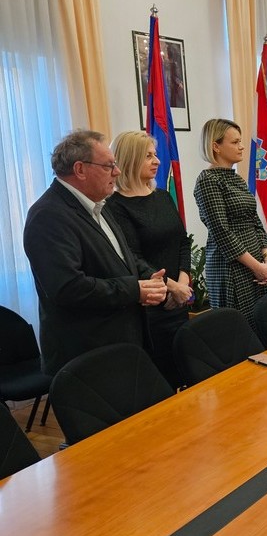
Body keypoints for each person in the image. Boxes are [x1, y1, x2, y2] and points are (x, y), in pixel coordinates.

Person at [23, 130, 167, 376]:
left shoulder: (99, 203)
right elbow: (68, 288)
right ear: (80, 169)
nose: (117, 172)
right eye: (109, 165)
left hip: (122, 344)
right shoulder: (48, 215)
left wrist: (152, 281)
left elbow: (121, 258)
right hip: (87, 354)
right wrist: (135, 290)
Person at [106, 131, 192, 389]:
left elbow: (183, 242)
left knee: (187, 372)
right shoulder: (115, 206)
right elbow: (132, 257)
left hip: (178, 300)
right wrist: (170, 287)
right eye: (148, 156)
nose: (157, 161)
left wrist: (183, 284)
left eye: (155, 155)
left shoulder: (163, 197)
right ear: (130, 159)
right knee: (162, 380)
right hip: (152, 306)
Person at [193, 118, 267, 330]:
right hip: (230, 268)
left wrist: (266, 257)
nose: (242, 146)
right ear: (216, 146)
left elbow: (255, 221)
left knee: (260, 326)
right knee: (239, 331)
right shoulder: (208, 180)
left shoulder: (236, 178)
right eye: (235, 142)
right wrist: (257, 266)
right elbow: (221, 231)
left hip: (255, 265)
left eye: (241, 141)